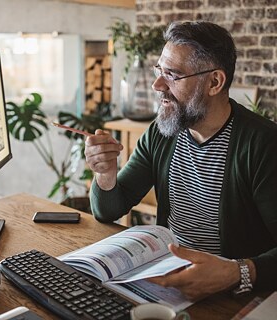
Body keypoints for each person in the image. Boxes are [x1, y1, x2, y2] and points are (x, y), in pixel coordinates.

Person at [85, 21, 277, 300]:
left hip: (235, 294)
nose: (157, 84)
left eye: (172, 74)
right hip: (170, 279)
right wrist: (105, 174)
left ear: (214, 82)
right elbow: (109, 210)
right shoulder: (163, 131)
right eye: (159, 70)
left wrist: (237, 273)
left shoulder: (263, 144)